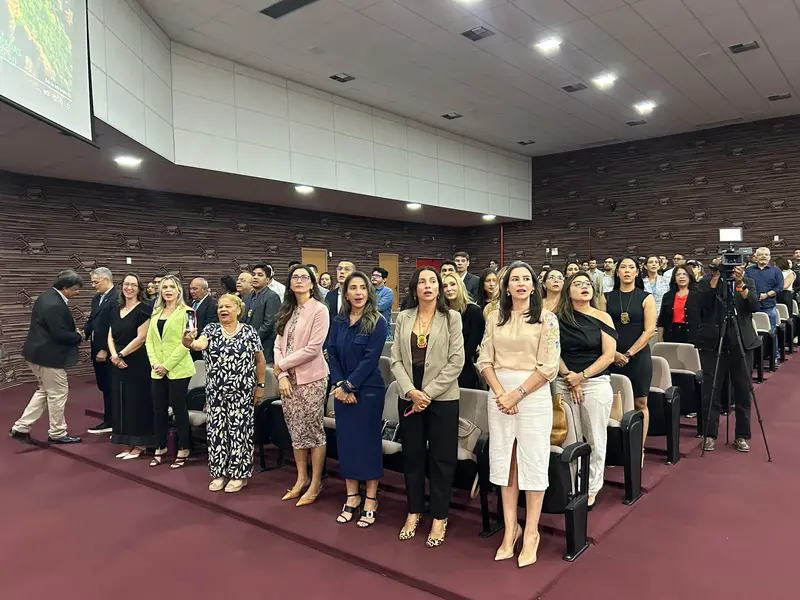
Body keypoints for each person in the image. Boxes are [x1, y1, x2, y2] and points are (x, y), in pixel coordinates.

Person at [477, 261, 560, 567]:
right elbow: (485, 359)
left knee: (533, 462)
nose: (521, 283)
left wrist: (517, 394)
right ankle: (511, 529)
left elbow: (549, 366)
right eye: (515, 279)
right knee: (505, 462)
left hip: (533, 396)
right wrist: (501, 393)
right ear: (506, 285)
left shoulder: (547, 319)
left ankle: (532, 533)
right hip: (499, 397)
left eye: (527, 278)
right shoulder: (495, 317)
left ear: (534, 285)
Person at [391, 267, 464, 547]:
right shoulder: (405, 317)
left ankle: (439, 516)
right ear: (414, 288)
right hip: (409, 395)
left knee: (442, 460)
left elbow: (456, 361)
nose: (428, 286)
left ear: (440, 288)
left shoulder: (451, 318)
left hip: (442, 399)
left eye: (433, 281)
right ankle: (414, 510)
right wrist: (411, 391)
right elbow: (395, 359)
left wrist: (427, 394)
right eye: (422, 282)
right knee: (412, 456)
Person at [183, 294, 267, 492]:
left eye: (228, 306)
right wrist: (188, 342)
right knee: (217, 432)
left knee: (240, 433)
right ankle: (220, 473)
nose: (223, 310)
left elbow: (260, 360)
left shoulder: (249, 331)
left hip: (242, 392)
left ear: (238, 309)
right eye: (220, 306)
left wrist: (260, 386)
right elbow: (198, 344)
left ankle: (239, 475)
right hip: (216, 393)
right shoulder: (211, 329)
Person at [327, 272, 387, 527]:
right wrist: (341, 385)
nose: (359, 292)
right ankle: (352, 496)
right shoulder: (339, 321)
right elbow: (331, 351)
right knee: (348, 443)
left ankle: (371, 498)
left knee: (368, 444)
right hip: (342, 390)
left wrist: (350, 385)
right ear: (346, 293)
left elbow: (370, 360)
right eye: (353, 288)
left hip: (369, 390)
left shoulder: (377, 321)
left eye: (363, 287)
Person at [555, 272, 617, 508]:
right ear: (568, 291)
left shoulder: (603, 317)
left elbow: (608, 355)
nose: (584, 287)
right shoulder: (557, 318)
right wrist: (569, 377)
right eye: (578, 284)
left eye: (587, 284)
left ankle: (591, 487)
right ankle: (571, 484)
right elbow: (554, 351)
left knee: (594, 437)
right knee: (568, 438)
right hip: (564, 381)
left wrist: (581, 377)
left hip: (595, 383)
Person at [274, 265, 330, 506]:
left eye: (304, 277)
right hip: (288, 379)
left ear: (312, 283)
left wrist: (281, 366)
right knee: (296, 430)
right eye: (294, 277)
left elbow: (313, 349)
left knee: (313, 430)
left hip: (312, 378)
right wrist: (282, 374)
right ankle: (301, 478)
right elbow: (277, 346)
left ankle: (316, 481)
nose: (299, 280)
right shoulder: (288, 310)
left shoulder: (320, 309)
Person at [9, 270, 85, 445]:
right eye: (75, 289)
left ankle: (21, 428)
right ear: (65, 287)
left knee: (44, 390)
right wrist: (78, 336)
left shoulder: (46, 296)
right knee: (58, 393)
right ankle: (57, 433)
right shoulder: (55, 304)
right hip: (48, 357)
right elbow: (59, 335)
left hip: (36, 354)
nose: (77, 292)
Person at [694, 262, 759, 452]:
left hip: (742, 342)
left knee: (743, 391)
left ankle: (742, 435)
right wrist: (715, 277)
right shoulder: (707, 281)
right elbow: (702, 305)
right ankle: (710, 434)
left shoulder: (747, 281)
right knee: (711, 391)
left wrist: (740, 284)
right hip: (713, 344)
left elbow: (754, 305)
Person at [605, 257, 656, 458]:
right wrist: (614, 353)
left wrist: (628, 354)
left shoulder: (646, 297)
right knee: (613, 403)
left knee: (640, 403)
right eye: (623, 267)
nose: (627, 271)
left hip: (638, 357)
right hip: (611, 355)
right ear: (617, 272)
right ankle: (616, 449)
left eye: (631, 268)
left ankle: (638, 449)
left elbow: (649, 330)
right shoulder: (607, 297)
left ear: (637, 272)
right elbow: (603, 328)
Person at [145, 275, 196, 469]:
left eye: (171, 287)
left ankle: (184, 447)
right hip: (157, 369)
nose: (167, 290)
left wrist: (167, 365)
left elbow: (188, 342)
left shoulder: (189, 312)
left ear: (178, 291)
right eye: (164, 287)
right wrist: (156, 363)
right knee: (158, 409)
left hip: (179, 368)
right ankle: (160, 446)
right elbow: (149, 341)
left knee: (178, 408)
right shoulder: (155, 312)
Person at [107, 273, 153, 459]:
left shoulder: (144, 309)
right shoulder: (115, 309)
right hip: (117, 362)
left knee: (136, 402)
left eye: (133, 285)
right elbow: (109, 335)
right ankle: (127, 443)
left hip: (136, 361)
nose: (129, 288)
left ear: (139, 288)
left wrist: (121, 354)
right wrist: (114, 356)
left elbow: (141, 338)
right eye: (126, 284)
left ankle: (140, 444)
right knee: (121, 402)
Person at [84, 267, 119, 435]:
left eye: (95, 282)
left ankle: (113, 421)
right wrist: (83, 332)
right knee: (104, 385)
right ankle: (109, 418)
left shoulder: (116, 298)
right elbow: (92, 319)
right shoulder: (97, 298)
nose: (93, 285)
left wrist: (105, 349)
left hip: (108, 351)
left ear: (106, 279)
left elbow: (114, 326)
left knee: (112, 387)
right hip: (96, 349)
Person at [441, 272, 485, 389]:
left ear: (460, 286)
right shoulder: (440, 313)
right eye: (445, 286)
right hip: (439, 370)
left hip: (463, 369)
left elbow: (470, 348)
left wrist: (450, 369)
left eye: (452, 284)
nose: (449, 289)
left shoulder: (474, 312)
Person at [745, 247, 784, 358]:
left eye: (766, 254)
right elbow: (744, 286)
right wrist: (754, 296)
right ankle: (754, 357)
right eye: (761, 254)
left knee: (771, 331)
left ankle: (774, 355)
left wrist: (766, 295)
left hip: (768, 306)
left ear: (770, 257)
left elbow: (779, 287)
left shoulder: (776, 271)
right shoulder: (748, 271)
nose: (764, 256)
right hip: (751, 306)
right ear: (755, 257)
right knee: (752, 332)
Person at [245, 263, 282, 363]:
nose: (255, 277)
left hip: (264, 346)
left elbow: (269, 324)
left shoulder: (272, 296)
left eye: (260, 275)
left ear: (267, 280)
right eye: (254, 275)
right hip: (246, 347)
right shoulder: (248, 297)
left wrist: (251, 339)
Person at [658, 265, 697, 343]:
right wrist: (660, 338)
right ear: (674, 279)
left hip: (692, 335)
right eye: (678, 274)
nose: (681, 277)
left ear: (690, 277)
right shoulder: (667, 296)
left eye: (685, 274)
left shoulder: (698, 295)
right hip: (671, 334)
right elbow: (662, 319)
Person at [188, 277, 218, 361]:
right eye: (190, 289)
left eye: (195, 289)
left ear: (204, 289)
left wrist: (193, 340)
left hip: (201, 349)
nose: (191, 291)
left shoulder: (213, 305)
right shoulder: (188, 304)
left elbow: (209, 327)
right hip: (186, 347)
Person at [371, 267, 394, 339]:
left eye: (377, 276)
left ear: (384, 279)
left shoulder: (388, 292)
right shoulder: (367, 290)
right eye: (373, 275)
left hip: (383, 331)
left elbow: (379, 307)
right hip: (369, 330)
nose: (374, 277)